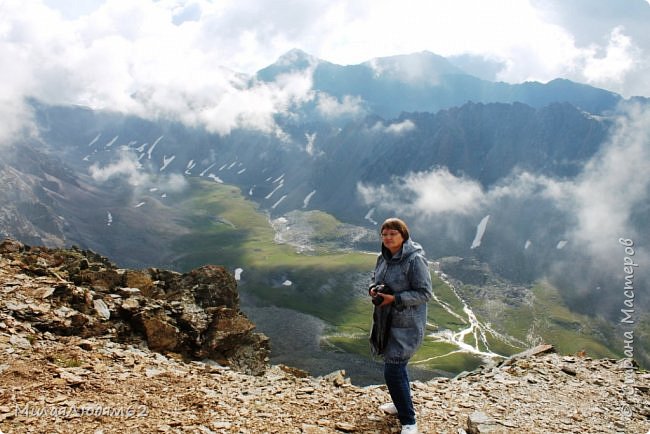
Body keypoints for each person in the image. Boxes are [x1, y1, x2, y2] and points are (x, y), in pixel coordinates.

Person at [369, 218, 432, 434]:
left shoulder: (414, 261)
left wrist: (394, 299)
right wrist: (373, 289)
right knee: (398, 367)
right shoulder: (383, 257)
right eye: (384, 234)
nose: (387, 238)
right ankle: (399, 403)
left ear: (403, 236)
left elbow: (425, 293)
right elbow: (374, 277)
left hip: (407, 325)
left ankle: (409, 421)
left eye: (392, 234)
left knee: (393, 370)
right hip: (386, 322)